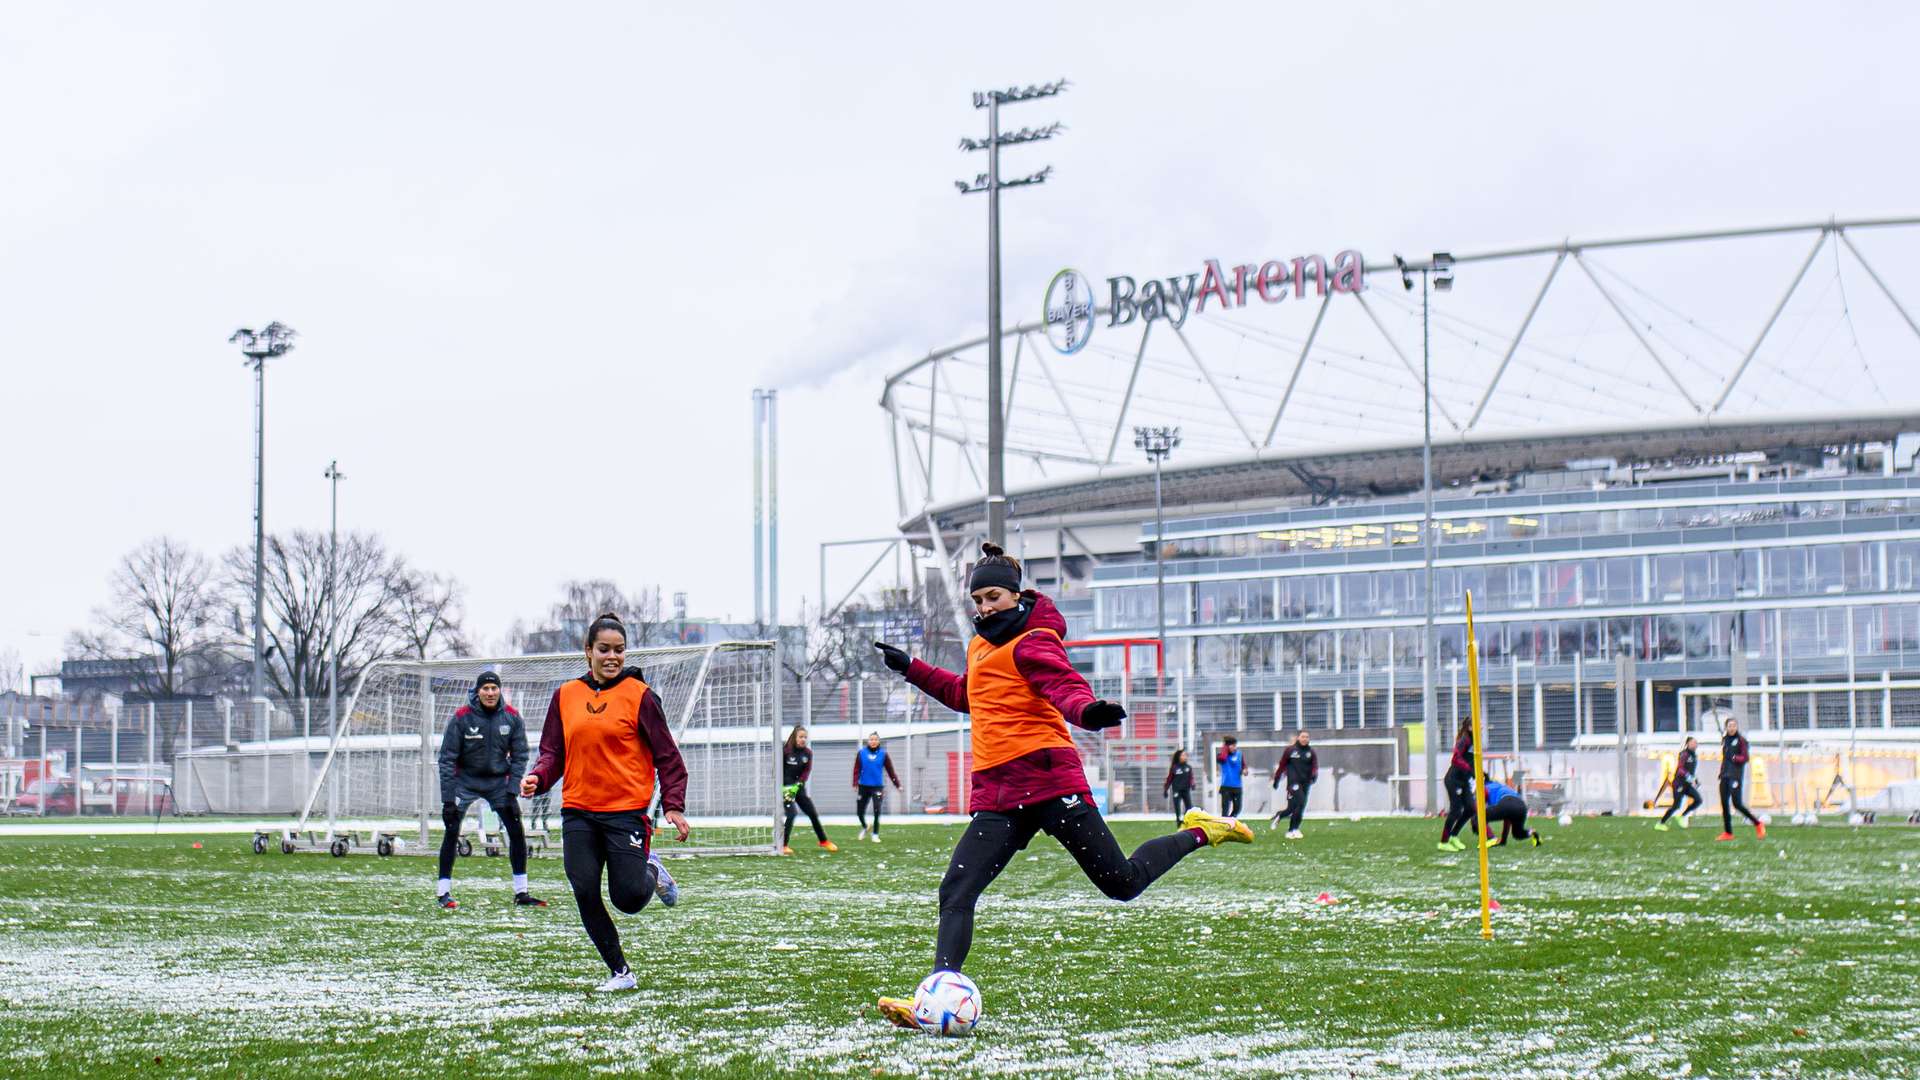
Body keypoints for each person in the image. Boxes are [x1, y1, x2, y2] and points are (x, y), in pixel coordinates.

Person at [868, 543, 1253, 1029]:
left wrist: (1088, 712)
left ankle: (1200, 829)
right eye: (978, 601)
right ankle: (937, 995)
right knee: (957, 889)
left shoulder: (1033, 640)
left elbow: (1064, 685)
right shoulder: (981, 645)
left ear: (1014, 596)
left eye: (992, 597)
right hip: (1001, 795)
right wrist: (912, 668)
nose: (985, 608)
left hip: (1051, 784)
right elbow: (968, 694)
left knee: (1123, 883)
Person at [521, 612, 689, 992]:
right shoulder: (565, 696)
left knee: (627, 898)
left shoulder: (641, 698)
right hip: (578, 811)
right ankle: (620, 972)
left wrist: (673, 805)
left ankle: (652, 870)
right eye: (604, 650)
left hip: (626, 813)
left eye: (619, 650)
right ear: (588, 652)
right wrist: (538, 776)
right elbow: (552, 752)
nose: (612, 657)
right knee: (583, 886)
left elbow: (668, 757)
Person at [435, 671, 544, 909]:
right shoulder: (461, 718)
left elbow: (521, 755)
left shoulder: (512, 717)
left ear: (499, 691)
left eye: (494, 688)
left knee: (516, 829)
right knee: (452, 829)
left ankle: (521, 892)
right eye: (485, 688)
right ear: (478, 691)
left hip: (498, 783)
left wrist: (512, 788)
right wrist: (448, 800)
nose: (490, 693)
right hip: (465, 782)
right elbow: (447, 759)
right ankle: (443, 893)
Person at [781, 726, 837, 854]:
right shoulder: (785, 751)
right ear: (795, 737)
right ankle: (783, 844)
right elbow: (777, 770)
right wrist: (784, 787)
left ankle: (823, 841)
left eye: (805, 737)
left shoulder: (808, 753)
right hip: (785, 789)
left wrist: (799, 784)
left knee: (812, 813)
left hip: (799, 788)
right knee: (792, 814)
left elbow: (806, 771)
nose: (803, 739)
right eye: (800, 737)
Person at [1716, 717, 1764, 841]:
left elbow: (1745, 758)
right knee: (1724, 804)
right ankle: (1728, 832)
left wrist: (1734, 758)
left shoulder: (1741, 741)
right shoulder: (1725, 740)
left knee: (1737, 804)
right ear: (1726, 727)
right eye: (1729, 726)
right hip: (1725, 775)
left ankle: (1757, 823)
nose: (1732, 728)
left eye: (1734, 725)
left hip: (1735, 776)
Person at [852, 731, 902, 842]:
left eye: (875, 739)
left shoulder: (883, 754)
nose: (873, 741)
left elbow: (890, 771)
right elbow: (856, 769)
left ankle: (875, 834)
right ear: (868, 741)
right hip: (863, 786)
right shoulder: (861, 753)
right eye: (871, 739)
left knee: (876, 810)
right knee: (860, 812)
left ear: (878, 741)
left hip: (877, 787)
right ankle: (865, 826)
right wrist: (855, 783)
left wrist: (897, 784)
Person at [1269, 729, 1318, 838]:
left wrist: (1314, 774)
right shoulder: (1290, 751)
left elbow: (1314, 766)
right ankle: (1292, 829)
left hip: (1305, 783)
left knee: (1293, 808)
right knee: (1300, 803)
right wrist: (1276, 780)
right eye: (1303, 737)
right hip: (1293, 783)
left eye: (1307, 737)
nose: (1305, 739)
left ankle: (1280, 815)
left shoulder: (1311, 752)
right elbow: (1282, 766)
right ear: (1298, 738)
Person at [1438, 722, 1476, 852]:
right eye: (1479, 724)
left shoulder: (1475, 740)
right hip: (1454, 780)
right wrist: (1468, 768)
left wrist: (1478, 774)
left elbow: (1472, 760)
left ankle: (1453, 836)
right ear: (1470, 727)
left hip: (1464, 780)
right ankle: (1443, 842)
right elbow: (1455, 758)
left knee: (1471, 808)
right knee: (1456, 810)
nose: (1481, 727)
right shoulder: (1465, 739)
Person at [1656, 736, 1703, 832]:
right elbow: (1680, 768)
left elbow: (1691, 771)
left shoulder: (1694, 756)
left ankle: (1683, 816)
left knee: (1698, 800)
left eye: (1696, 743)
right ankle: (1660, 823)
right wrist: (1688, 776)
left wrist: (1694, 780)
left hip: (1687, 785)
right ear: (1688, 744)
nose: (1695, 744)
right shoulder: (1684, 754)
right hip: (1679, 784)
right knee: (1676, 806)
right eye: (1693, 742)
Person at [1481, 777, 1542, 847]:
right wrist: (1503, 840)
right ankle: (1532, 832)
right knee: (1517, 834)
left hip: (1507, 801)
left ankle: (1492, 839)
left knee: (1478, 818)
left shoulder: (1486, 787)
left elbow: (1483, 798)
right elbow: (1507, 818)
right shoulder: (1501, 786)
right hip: (1521, 805)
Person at [1215, 735, 1245, 818]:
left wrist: (1244, 770)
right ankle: (1224, 825)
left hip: (1237, 786)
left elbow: (1243, 766)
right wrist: (1225, 748)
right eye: (1233, 746)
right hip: (1226, 786)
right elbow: (1223, 758)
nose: (1235, 748)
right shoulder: (1222, 756)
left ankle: (1230, 822)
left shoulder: (1239, 754)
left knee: (1237, 808)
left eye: (1235, 746)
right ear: (1227, 746)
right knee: (1225, 809)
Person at [1162, 748, 1195, 823]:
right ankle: (1178, 821)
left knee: (1189, 807)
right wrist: (1166, 789)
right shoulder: (1174, 767)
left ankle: (1187, 820)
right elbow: (1169, 779)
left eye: (1185, 755)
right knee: (1177, 806)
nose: (1185, 757)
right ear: (1178, 757)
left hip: (1186, 790)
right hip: (1177, 790)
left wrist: (1192, 784)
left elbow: (1191, 778)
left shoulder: (1188, 767)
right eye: (1183, 755)